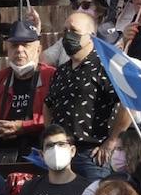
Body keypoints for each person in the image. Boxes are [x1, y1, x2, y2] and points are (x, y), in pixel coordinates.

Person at [45, 12, 129, 182]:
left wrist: (112, 140)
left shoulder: (105, 67)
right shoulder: (61, 71)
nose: (68, 35)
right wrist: (49, 137)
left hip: (91, 155)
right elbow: (48, 104)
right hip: (61, 153)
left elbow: (127, 103)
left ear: (91, 36)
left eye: (74, 31)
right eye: (65, 31)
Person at [0, 20, 54, 158]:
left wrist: (24, 126)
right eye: (14, 45)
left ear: (38, 49)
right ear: (8, 49)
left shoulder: (52, 76)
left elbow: (57, 118)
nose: (19, 50)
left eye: (26, 45)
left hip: (41, 150)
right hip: (1, 150)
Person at [12, 124, 92, 195]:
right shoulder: (29, 188)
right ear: (42, 155)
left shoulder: (87, 190)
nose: (55, 150)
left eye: (61, 144)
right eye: (50, 146)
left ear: (72, 151)